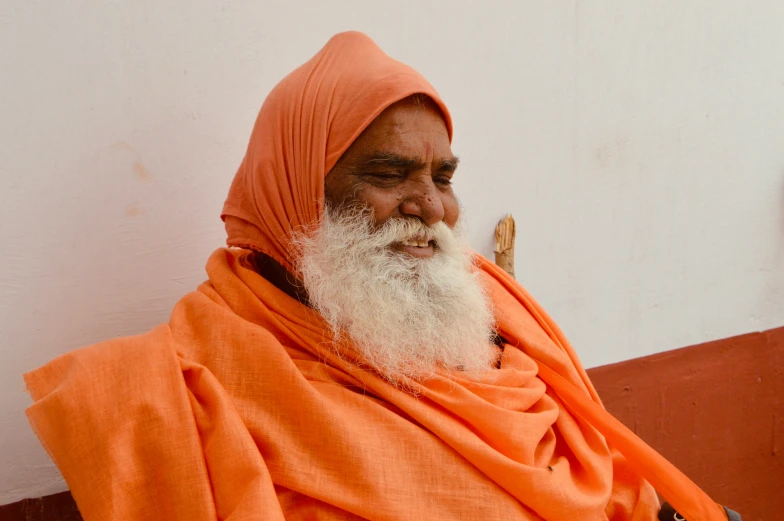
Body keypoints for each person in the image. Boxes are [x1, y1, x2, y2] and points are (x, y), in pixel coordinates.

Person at [24, 31, 736, 520]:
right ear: (297, 190)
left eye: (443, 177)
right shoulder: (184, 387)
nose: (432, 207)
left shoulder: (489, 308)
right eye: (390, 174)